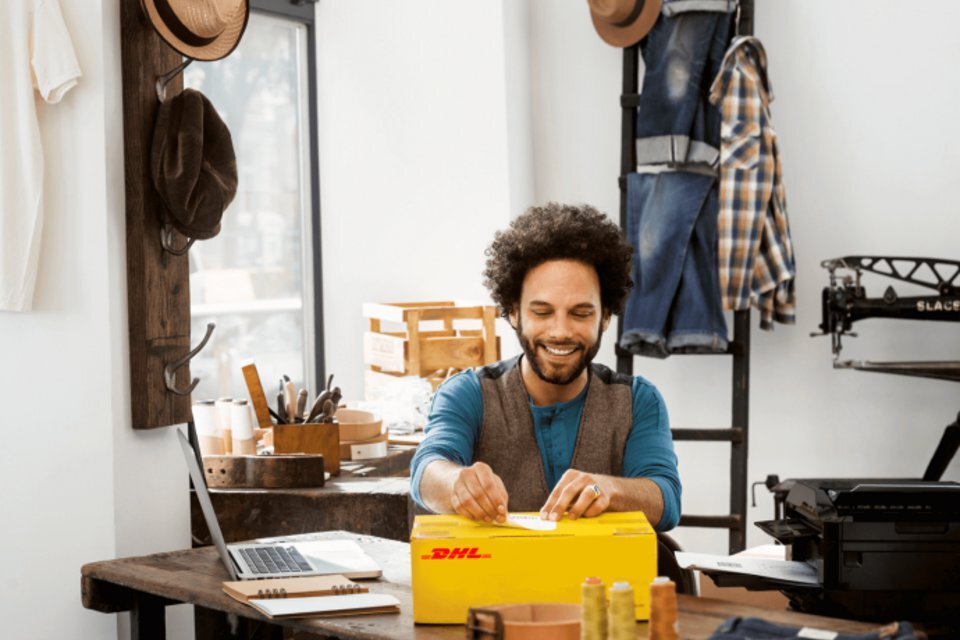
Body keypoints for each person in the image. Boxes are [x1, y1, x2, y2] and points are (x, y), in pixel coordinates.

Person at [409, 203, 681, 531]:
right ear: (513, 312)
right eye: (542, 312)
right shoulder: (467, 394)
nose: (561, 331)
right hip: (497, 578)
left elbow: (666, 499)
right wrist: (456, 482)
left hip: (606, 580)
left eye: (581, 313)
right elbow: (426, 469)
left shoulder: (638, 400)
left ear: (606, 316)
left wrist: (608, 488)